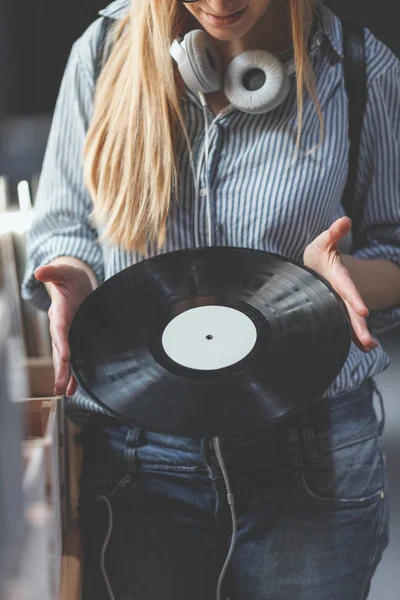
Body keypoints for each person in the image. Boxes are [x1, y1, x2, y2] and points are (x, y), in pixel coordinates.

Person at [22, 1, 400, 598]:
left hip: (314, 455)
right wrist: (71, 274)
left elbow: (395, 252)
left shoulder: (359, 67)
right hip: (136, 456)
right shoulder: (101, 50)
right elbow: (65, 225)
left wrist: (343, 273)